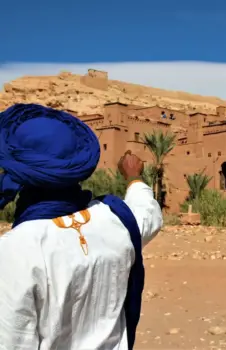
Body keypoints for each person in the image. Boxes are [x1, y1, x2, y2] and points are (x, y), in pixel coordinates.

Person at [0, 104, 163, 350]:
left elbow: (11, 341)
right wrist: (133, 177)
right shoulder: (116, 221)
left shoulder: (16, 249)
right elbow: (147, 213)